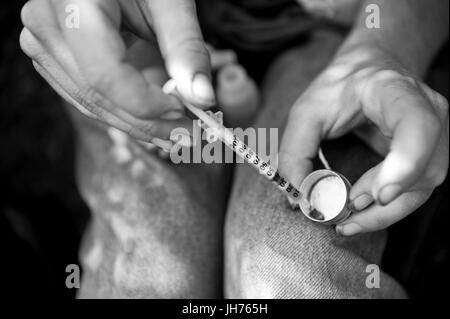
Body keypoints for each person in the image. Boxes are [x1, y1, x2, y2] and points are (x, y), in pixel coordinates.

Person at [19, 0, 448, 298]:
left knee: (291, 276)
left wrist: (385, 45)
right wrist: (77, 20)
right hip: (136, 53)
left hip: (328, 32)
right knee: (147, 278)